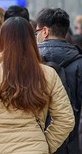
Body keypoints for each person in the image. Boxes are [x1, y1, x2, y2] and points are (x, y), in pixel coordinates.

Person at [0, 17, 74, 154]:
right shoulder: (48, 74)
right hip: (35, 149)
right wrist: (45, 144)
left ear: (3, 39)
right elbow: (66, 119)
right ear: (31, 39)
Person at [36, 8, 82, 154]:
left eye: (37, 32)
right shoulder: (80, 62)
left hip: (36, 142)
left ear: (45, 31)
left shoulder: (28, 63)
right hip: (73, 144)